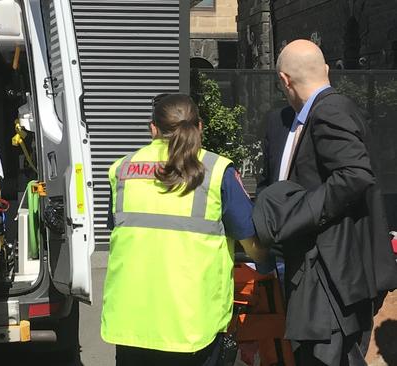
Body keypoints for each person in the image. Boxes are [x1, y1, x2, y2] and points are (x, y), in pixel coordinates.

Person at [253, 39, 397, 365]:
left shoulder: (329, 110)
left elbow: (354, 175)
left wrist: (297, 217)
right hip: (323, 275)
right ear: (327, 70)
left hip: (333, 278)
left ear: (284, 80)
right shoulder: (315, 113)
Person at [101, 93, 267, 366]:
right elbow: (252, 244)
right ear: (199, 126)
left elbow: (120, 231)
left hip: (131, 323)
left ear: (152, 128)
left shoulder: (123, 170)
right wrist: (270, 262)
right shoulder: (216, 170)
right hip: (191, 325)